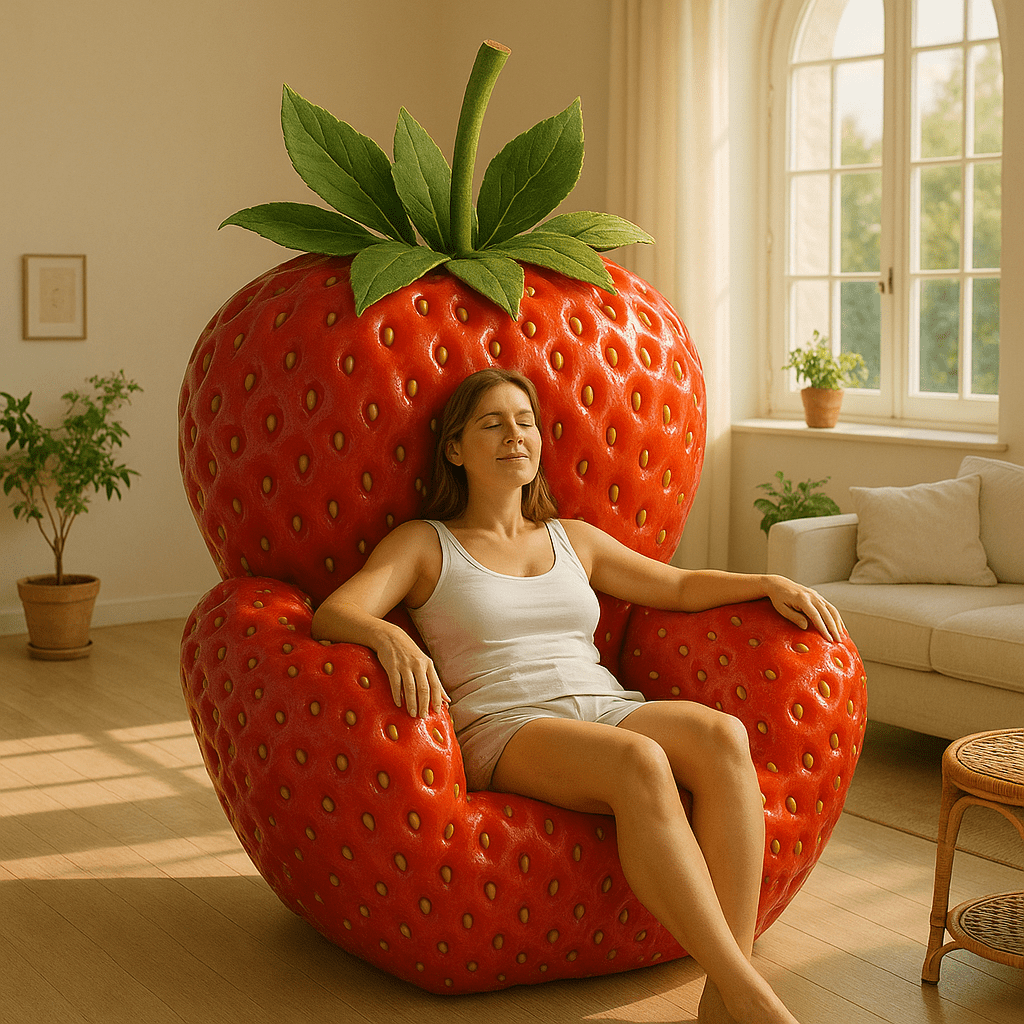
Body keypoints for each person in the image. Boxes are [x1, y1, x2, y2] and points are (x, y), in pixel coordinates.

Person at [312, 368, 845, 1024]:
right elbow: (336, 613)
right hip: (508, 725)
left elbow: (674, 588)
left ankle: (724, 993)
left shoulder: (574, 539)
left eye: (526, 421)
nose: (516, 435)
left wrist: (766, 581)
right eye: (493, 423)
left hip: (605, 703)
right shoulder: (426, 543)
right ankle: (750, 993)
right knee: (640, 762)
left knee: (721, 736)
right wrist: (389, 639)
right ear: (455, 449)